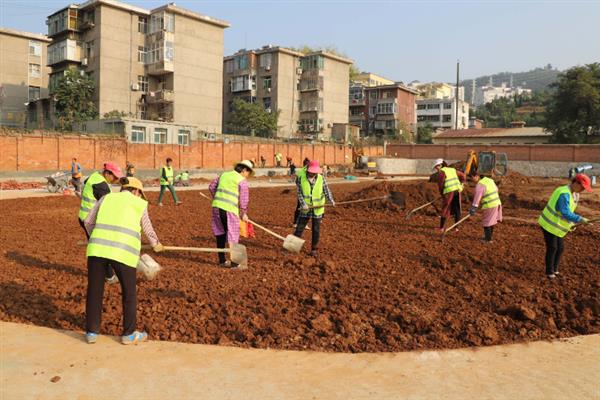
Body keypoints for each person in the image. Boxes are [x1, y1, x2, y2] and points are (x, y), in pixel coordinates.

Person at [84, 177, 164, 345]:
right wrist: (156, 244)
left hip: (97, 249)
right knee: (129, 293)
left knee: (94, 291)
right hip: (124, 252)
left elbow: (88, 221)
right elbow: (147, 227)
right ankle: (128, 334)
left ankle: (91, 332)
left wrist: (96, 237)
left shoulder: (106, 198)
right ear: (137, 192)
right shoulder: (139, 204)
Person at [538, 174, 592, 279]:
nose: (583, 190)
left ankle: (555, 270)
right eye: (582, 187)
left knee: (560, 248)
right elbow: (565, 212)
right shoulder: (563, 194)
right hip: (549, 224)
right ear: (576, 183)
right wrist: (580, 219)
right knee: (553, 247)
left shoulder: (575, 194)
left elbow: (569, 211)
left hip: (557, 226)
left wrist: (572, 223)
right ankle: (549, 272)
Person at [79, 162, 123, 284]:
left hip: (85, 217)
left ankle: (102, 273)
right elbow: (108, 207)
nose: (117, 179)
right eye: (115, 176)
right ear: (107, 173)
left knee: (97, 246)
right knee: (103, 247)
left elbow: (85, 183)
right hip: (90, 221)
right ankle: (109, 276)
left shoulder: (95, 176)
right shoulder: (101, 186)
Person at [209, 160, 253, 268]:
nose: (248, 175)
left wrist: (217, 198)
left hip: (216, 207)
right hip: (229, 210)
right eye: (248, 172)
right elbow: (244, 199)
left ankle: (222, 261)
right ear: (243, 170)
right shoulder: (241, 181)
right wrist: (243, 213)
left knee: (220, 233)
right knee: (233, 235)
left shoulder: (224, 175)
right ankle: (235, 264)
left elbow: (211, 186)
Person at [293, 160, 335, 257]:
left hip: (318, 208)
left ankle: (314, 249)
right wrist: (303, 204)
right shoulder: (301, 178)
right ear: (308, 170)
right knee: (300, 228)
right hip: (306, 208)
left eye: (315, 172)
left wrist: (331, 200)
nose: (313, 173)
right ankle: (292, 247)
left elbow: (326, 190)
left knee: (316, 229)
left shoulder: (321, 178)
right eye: (311, 171)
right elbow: (299, 193)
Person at [433, 158, 466, 233]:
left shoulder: (442, 172)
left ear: (441, 165)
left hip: (449, 192)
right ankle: (456, 228)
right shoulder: (452, 170)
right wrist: (462, 184)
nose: (436, 168)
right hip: (457, 191)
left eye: (437, 166)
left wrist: (442, 194)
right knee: (457, 208)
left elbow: (440, 185)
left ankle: (441, 228)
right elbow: (463, 176)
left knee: (445, 208)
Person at [469, 172, 502, 243]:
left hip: (489, 204)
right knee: (491, 221)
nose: (472, 180)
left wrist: (474, 207)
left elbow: (477, 197)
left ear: (477, 176)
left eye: (472, 177)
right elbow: (496, 189)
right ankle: (489, 237)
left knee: (486, 221)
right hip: (496, 202)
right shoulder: (489, 180)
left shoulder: (480, 184)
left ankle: (488, 239)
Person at [293, 158, 311, 226]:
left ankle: (304, 223)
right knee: (299, 207)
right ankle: (295, 222)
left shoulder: (309, 171)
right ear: (305, 164)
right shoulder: (301, 172)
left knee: (306, 208)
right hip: (302, 192)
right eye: (307, 164)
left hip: (308, 193)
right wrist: (300, 188)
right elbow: (297, 181)